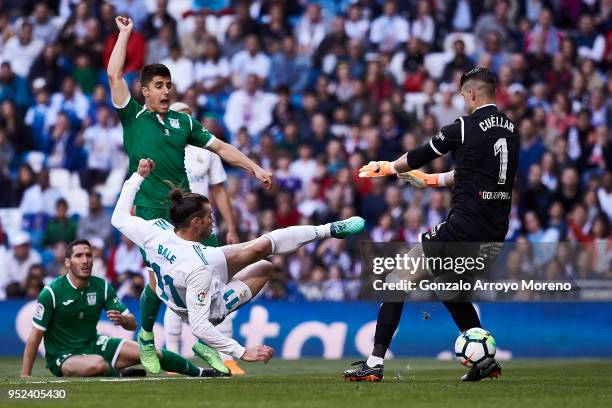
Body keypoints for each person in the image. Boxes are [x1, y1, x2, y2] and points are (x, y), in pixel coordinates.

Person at [107, 16, 273, 374]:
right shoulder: (133, 116)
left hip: (189, 210)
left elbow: (221, 147)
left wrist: (253, 168)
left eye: (169, 85)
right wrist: (124, 35)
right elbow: (114, 76)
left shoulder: (184, 123)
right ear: (145, 91)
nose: (166, 91)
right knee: (158, 278)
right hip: (151, 211)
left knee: (218, 272)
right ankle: (147, 336)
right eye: (158, 85)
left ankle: (203, 336)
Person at [344, 67, 518, 382]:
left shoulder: (463, 127)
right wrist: (431, 180)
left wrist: (388, 167)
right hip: (494, 234)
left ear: (472, 94)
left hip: (462, 229)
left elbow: (418, 155)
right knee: (452, 289)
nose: (464, 102)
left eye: (464, 96)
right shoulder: (511, 130)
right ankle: (485, 363)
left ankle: (374, 363)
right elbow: (471, 174)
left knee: (397, 279)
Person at [111, 159, 365, 374]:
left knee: (261, 256)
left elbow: (119, 217)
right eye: (210, 216)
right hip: (199, 306)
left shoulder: (154, 229)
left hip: (178, 283)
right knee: (261, 260)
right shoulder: (199, 265)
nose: (214, 221)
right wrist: (241, 351)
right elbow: (199, 325)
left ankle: (330, 229)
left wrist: (138, 176)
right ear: (196, 222)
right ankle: (326, 230)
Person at [20, 239, 219, 378]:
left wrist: (124, 320)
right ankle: (118, 372)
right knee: (96, 364)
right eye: (79, 256)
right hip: (63, 357)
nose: (85, 260)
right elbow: (35, 336)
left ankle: (200, 372)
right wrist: (25, 376)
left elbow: (132, 324)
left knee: (151, 352)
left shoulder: (102, 286)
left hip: (94, 344)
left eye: (88, 255)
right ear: (67, 262)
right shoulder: (52, 292)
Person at [166, 101, 243, 374]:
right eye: (179, 116)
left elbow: (219, 191)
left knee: (218, 287)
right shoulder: (163, 151)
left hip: (206, 230)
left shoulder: (207, 152)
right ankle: (172, 359)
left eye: (188, 116)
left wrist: (231, 227)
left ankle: (227, 358)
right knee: (173, 292)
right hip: (175, 232)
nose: (184, 121)